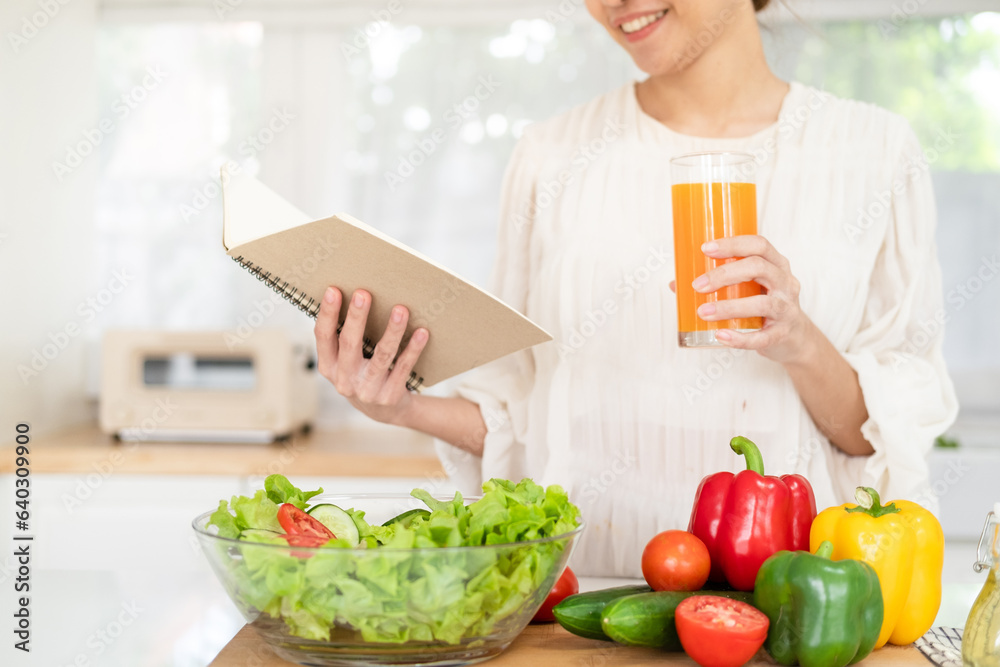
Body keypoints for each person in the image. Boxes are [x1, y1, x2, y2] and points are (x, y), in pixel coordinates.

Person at [313, 0, 958, 576]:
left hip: (789, 610)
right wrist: (401, 407)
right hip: (583, 606)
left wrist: (798, 339)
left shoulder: (873, 154)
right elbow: (524, 422)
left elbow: (878, 440)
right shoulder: (552, 154)